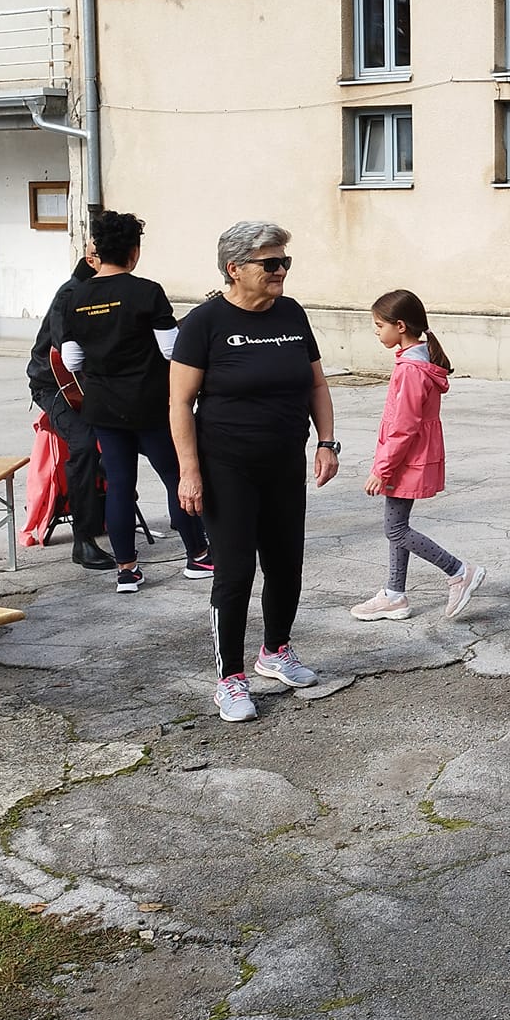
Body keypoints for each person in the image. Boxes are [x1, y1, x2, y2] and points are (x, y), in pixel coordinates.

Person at [170, 222, 341, 722]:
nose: (281, 270)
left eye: (285, 261)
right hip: (227, 467)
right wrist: (189, 471)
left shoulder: (291, 313)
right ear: (235, 268)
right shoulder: (203, 323)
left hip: (284, 462)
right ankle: (230, 678)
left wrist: (326, 442)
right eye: (270, 263)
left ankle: (276, 650)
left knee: (286, 565)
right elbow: (180, 403)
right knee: (236, 572)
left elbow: (316, 384)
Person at [60, 211, 209, 593]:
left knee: (120, 485)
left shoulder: (74, 296)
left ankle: (126, 569)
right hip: (150, 403)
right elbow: (171, 350)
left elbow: (72, 360)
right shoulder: (146, 292)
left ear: (97, 251)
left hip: (103, 406)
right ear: (134, 252)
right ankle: (197, 556)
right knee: (176, 476)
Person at [350, 290, 487, 625]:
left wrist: (381, 469)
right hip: (408, 458)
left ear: (400, 326)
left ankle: (459, 571)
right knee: (396, 525)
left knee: (396, 530)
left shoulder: (411, 370)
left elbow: (404, 426)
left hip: (405, 460)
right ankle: (394, 595)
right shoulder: (415, 360)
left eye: (379, 325)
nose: (376, 332)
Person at [26, 248, 112, 570]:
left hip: (89, 384)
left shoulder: (104, 290)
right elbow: (69, 356)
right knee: (84, 444)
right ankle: (83, 540)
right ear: (92, 260)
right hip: (53, 384)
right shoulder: (70, 295)